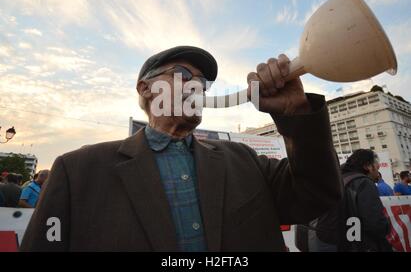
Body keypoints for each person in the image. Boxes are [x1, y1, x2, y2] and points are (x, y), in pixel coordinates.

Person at [21, 45, 342, 251]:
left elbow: (318, 194)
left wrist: (296, 113)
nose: (197, 85)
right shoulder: (78, 172)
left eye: (202, 81)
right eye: (183, 74)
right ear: (146, 88)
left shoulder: (243, 160)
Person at [307, 149, 391, 252]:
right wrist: (387, 226)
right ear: (367, 166)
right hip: (347, 243)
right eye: (377, 167)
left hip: (323, 239)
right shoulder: (363, 182)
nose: (378, 172)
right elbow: (374, 222)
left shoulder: (339, 179)